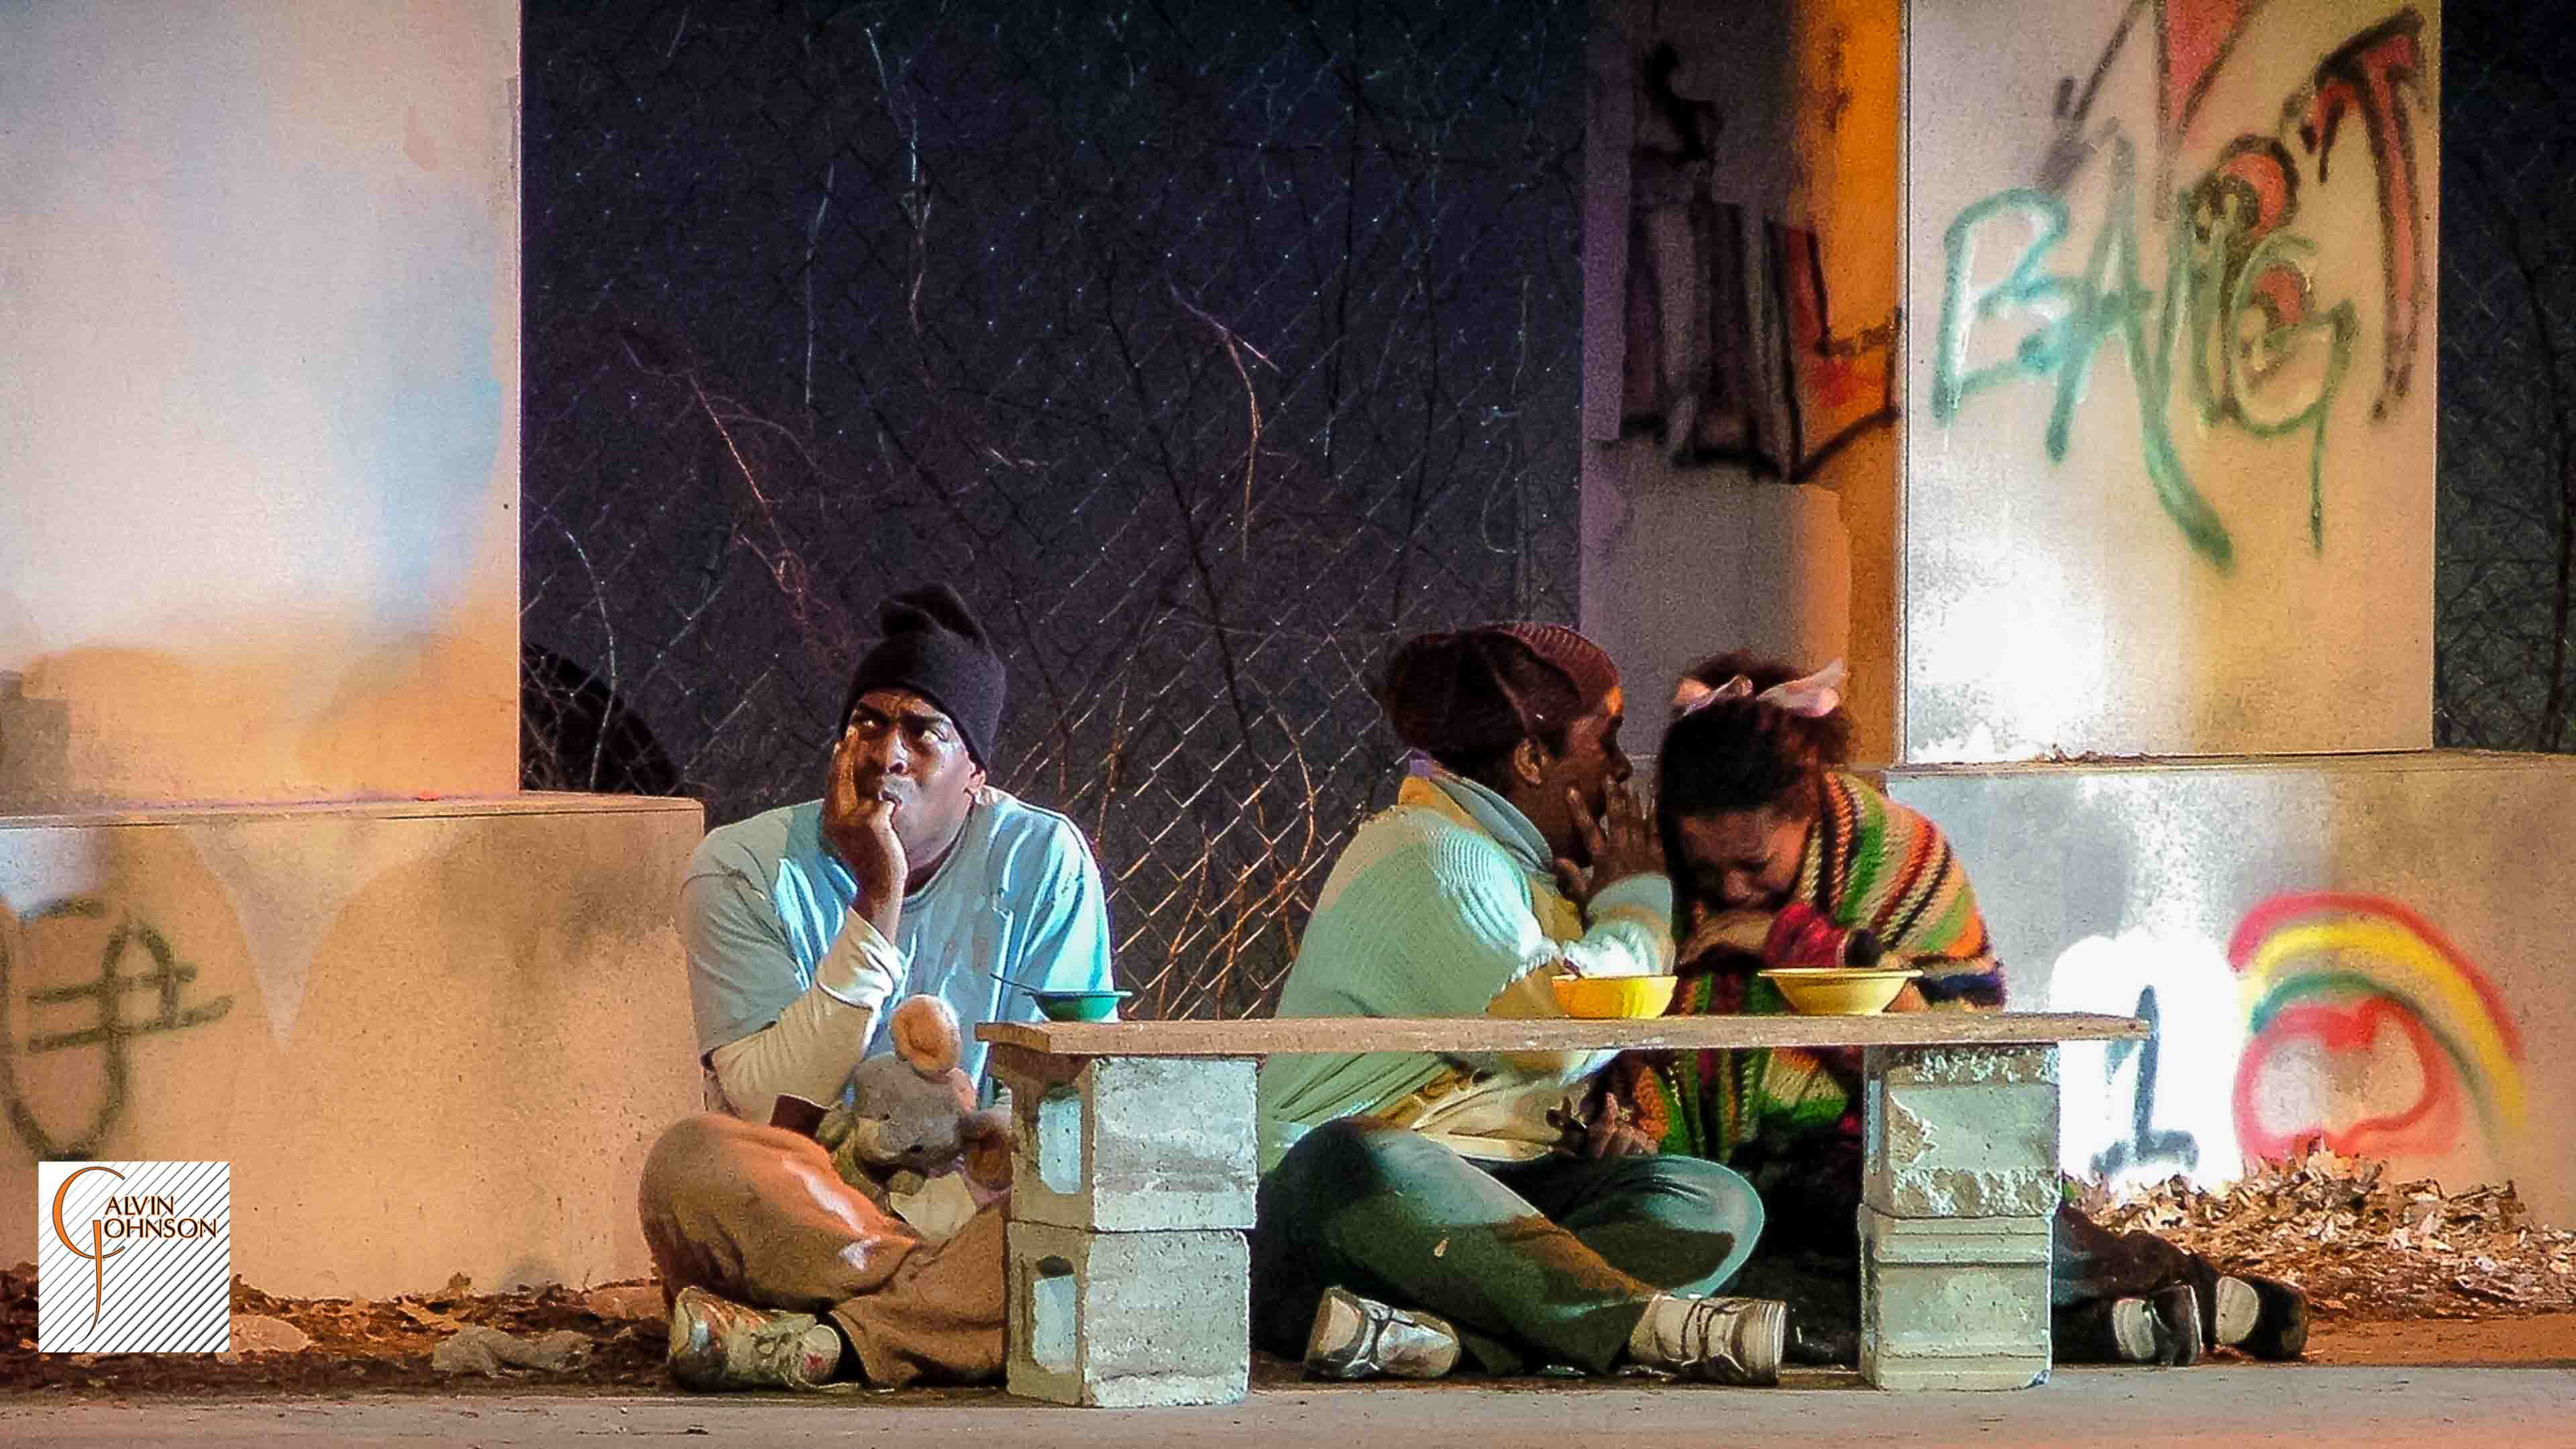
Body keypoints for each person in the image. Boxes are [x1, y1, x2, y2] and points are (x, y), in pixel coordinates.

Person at [1629, 651, 2310, 1366]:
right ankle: (2110, 1330)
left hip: (1896, 1141)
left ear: (1809, 804)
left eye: (1756, 864)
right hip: (1750, 1179)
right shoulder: (1661, 888)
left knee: (1955, 1220)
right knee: (1757, 1288)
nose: (1730, 890)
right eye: (1707, 870)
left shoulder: (1898, 857)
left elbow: (1946, 1055)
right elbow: (1648, 1053)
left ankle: (2192, 1290)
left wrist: (1785, 937)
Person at [1252, 623, 1789, 1386]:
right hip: (1344, 1223)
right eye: (1605, 739)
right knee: (1357, 1155)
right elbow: (1550, 1035)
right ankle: (1651, 1326)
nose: (1618, 768)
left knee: (1712, 1200)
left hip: (1483, 1221)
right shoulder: (1431, 854)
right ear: (1532, 759)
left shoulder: (1535, 873)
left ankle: (1428, 1340)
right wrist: (1637, 903)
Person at [636, 584, 1117, 1391]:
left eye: (923, 731)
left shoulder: (1042, 860)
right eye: (868, 722)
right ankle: (939, 1317)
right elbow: (773, 1115)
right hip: (809, 1217)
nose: (887, 753)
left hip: (975, 1203)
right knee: (688, 1161)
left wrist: (986, 1168)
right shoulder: (743, 867)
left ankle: (827, 1345)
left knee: (1101, 1214)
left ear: (976, 774)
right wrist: (876, 899)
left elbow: (1070, 1101)